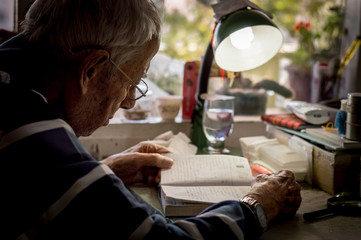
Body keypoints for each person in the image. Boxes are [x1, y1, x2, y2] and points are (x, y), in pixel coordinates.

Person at [0, 0, 301, 239]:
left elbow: (35, 189)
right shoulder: (32, 132)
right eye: (132, 82)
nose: (130, 102)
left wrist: (103, 173)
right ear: (90, 69)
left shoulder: (12, 82)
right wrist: (257, 205)